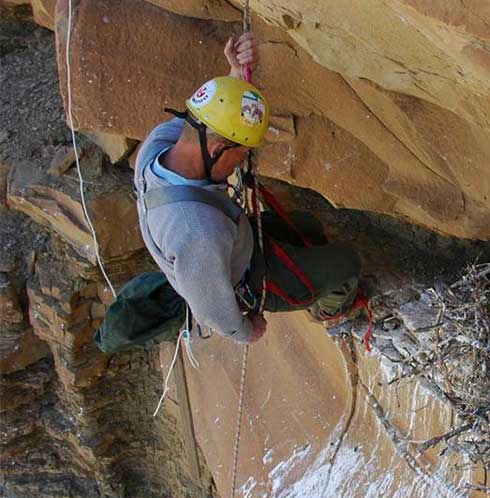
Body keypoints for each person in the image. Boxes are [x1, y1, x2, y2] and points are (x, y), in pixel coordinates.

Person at [133, 32, 361, 344]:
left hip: (239, 240)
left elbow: (207, 120)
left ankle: (310, 266)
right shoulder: (196, 230)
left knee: (308, 226)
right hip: (251, 277)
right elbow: (209, 306)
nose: (242, 162)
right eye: (241, 154)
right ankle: (330, 313)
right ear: (216, 150)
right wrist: (243, 330)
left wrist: (235, 78)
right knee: (347, 263)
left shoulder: (158, 147)